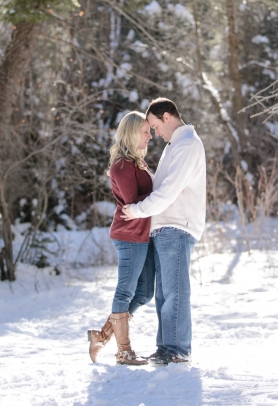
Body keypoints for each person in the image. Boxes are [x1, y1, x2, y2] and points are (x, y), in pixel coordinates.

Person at [123, 97, 206, 365]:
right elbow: (164, 187)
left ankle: (178, 349)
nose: (155, 134)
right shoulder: (175, 146)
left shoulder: (187, 144)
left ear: (167, 116)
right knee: (163, 294)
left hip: (176, 225)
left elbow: (169, 192)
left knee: (175, 290)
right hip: (164, 227)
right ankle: (166, 347)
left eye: (156, 127)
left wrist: (136, 210)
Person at [87, 111, 155, 365]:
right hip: (130, 236)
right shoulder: (123, 165)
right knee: (125, 292)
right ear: (132, 132)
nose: (150, 136)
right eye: (146, 131)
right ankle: (123, 350)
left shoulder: (138, 162)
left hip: (142, 236)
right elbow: (133, 202)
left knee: (145, 293)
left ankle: (102, 336)